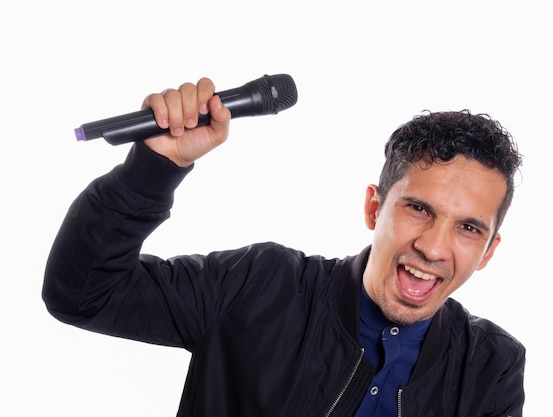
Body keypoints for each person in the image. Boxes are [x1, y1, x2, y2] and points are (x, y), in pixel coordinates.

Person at [43, 76, 526, 417]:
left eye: (468, 229)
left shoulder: (490, 366)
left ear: (489, 251)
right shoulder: (261, 287)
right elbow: (83, 293)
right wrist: (153, 169)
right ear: (374, 209)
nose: (435, 248)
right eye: (419, 209)